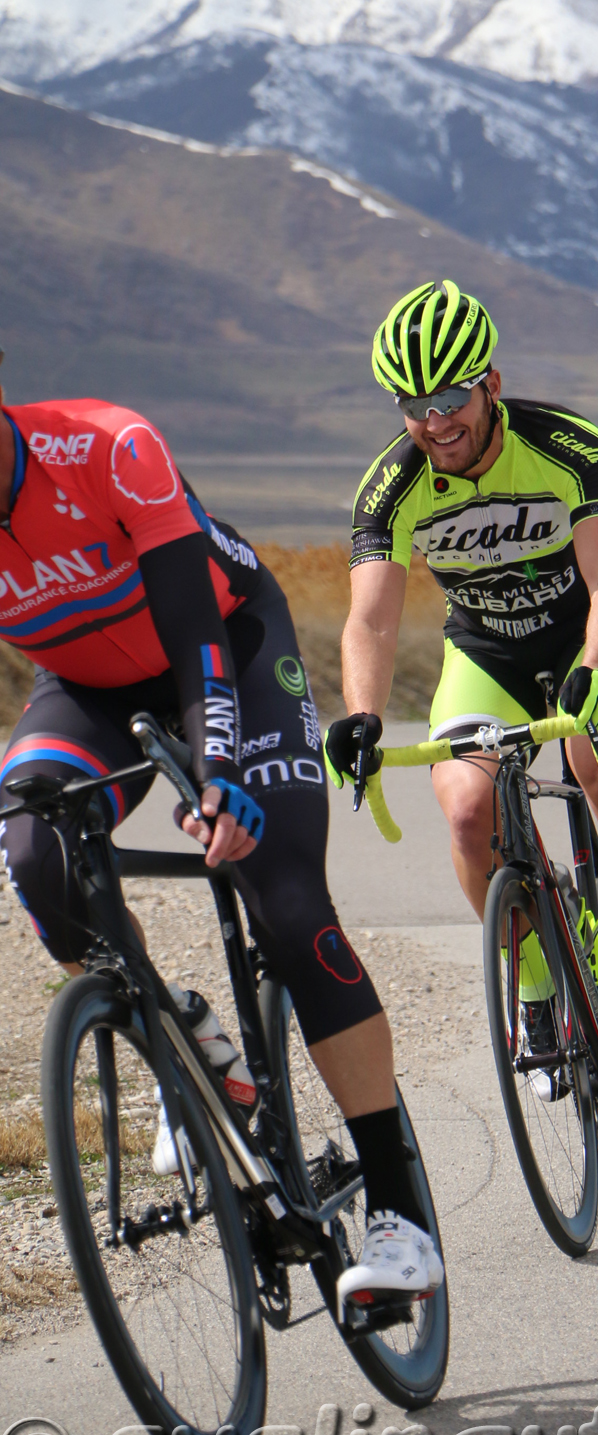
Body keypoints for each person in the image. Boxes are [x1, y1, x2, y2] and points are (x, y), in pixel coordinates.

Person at [0, 359, 440, 1316]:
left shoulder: (109, 446)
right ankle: (183, 1036)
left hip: (228, 651)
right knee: (36, 855)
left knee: (283, 899)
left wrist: (219, 777)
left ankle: (400, 1217)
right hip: (86, 689)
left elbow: (197, 631)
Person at [325, 280, 598, 1083]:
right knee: (466, 811)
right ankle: (534, 995)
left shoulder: (570, 444)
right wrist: (361, 714)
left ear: (490, 383)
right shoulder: (391, 488)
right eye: (413, 403)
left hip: (587, 642)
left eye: (452, 396)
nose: (435, 420)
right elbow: (372, 621)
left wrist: (594, 670)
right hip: (486, 655)